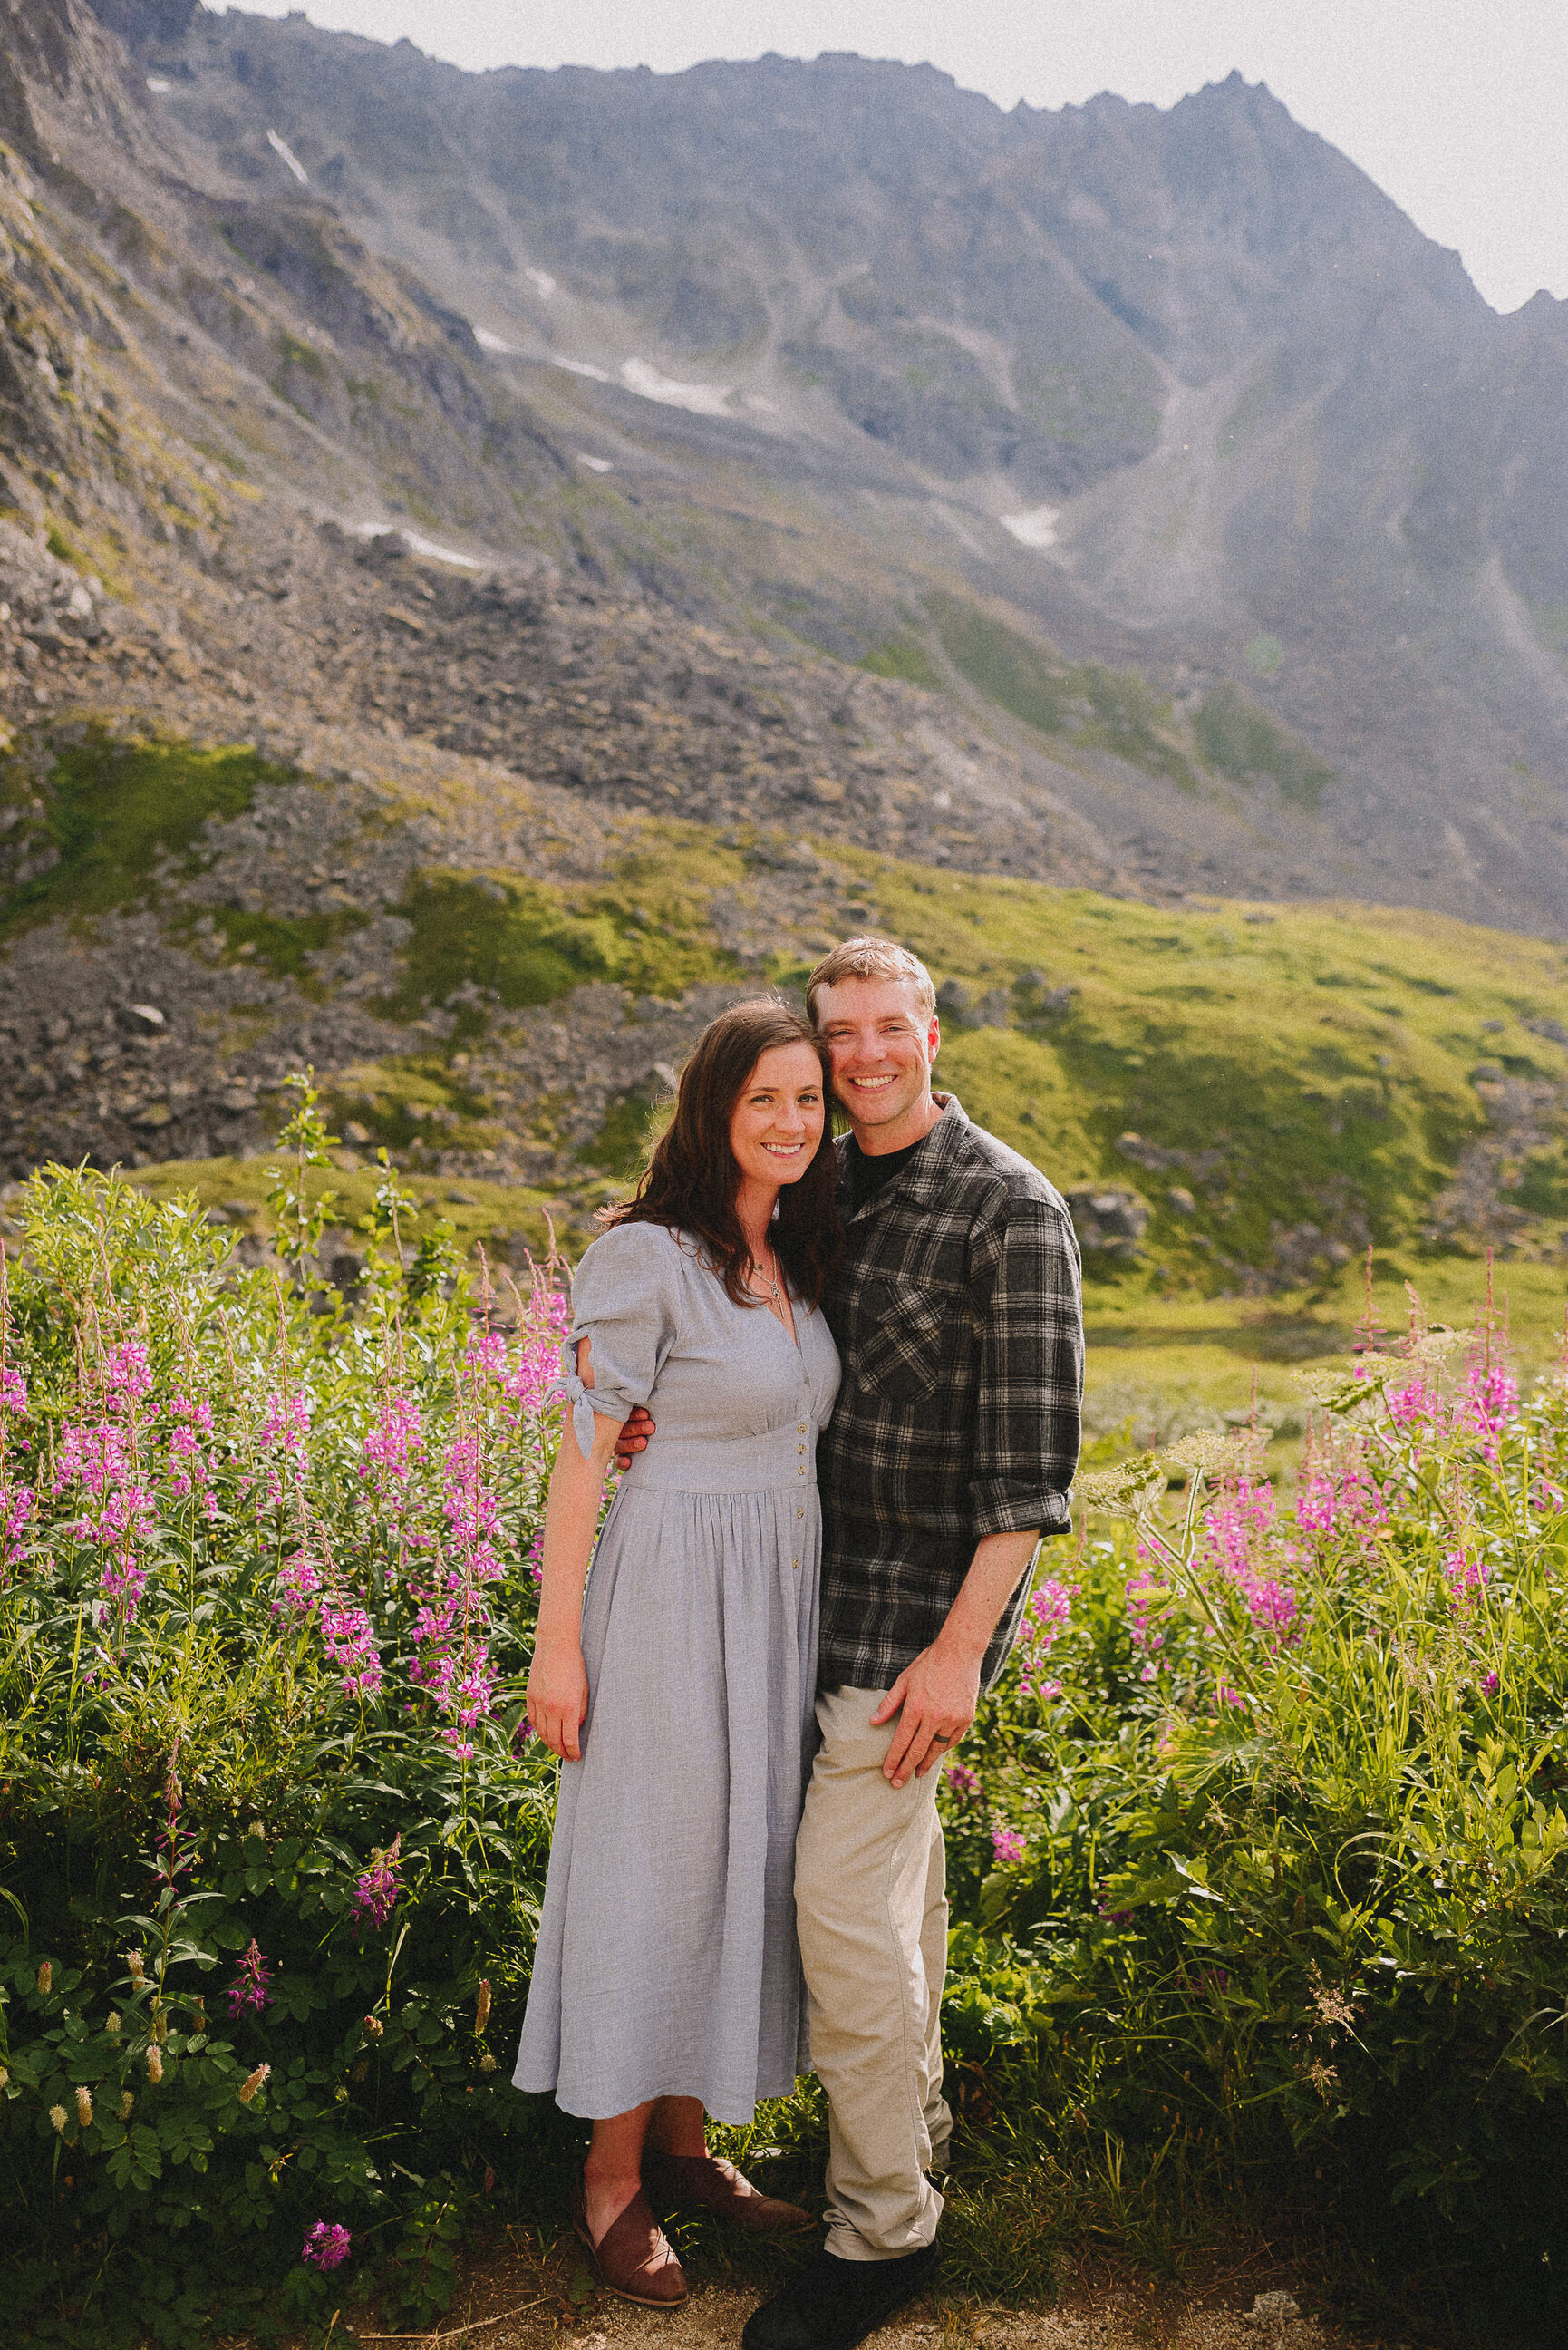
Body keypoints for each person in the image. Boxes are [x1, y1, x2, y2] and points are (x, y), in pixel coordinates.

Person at [618, 937, 1083, 2350]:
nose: (864, 1056)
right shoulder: (817, 1189)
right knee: (895, 1907)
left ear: (933, 1030)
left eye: (890, 1028)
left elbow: (1030, 1477)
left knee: (836, 1912)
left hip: (908, 1632)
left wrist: (957, 1657)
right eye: (840, 1036)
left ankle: (882, 2229)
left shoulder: (1008, 1210)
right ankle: (918, 2128)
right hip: (788, 1611)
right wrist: (656, 1418)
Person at [514, 999, 844, 2310]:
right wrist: (558, 1649)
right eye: (764, 1099)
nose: (790, 1123)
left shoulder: (798, 1251)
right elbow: (583, 1460)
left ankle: (689, 2144)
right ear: (712, 1111)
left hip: (774, 1598)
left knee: (740, 1861)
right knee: (652, 1864)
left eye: (808, 1101)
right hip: (661, 1595)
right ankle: (609, 2175)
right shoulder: (646, 1256)